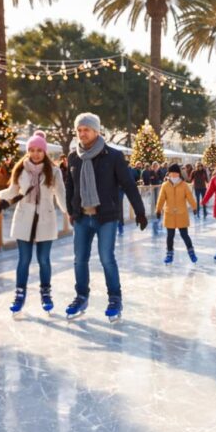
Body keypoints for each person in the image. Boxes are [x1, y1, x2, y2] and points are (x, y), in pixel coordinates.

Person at [64, 113, 148, 321]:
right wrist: (71, 211)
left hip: (106, 217)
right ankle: (81, 295)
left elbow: (128, 184)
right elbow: (70, 187)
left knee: (106, 258)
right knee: (79, 260)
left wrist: (139, 211)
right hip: (82, 217)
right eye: (79, 130)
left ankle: (115, 298)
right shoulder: (73, 157)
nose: (82, 133)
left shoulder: (113, 156)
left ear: (97, 131)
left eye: (86, 129)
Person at [0, 132, 66, 314]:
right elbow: (13, 191)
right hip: (24, 218)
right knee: (24, 260)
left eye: (39, 150)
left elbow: (61, 194)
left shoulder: (54, 171)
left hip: (45, 219)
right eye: (32, 150)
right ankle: (19, 294)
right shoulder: (20, 169)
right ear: (28, 151)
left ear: (45, 151)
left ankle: (46, 293)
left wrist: (69, 213)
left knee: (43, 260)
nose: (35, 154)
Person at [156, 163, 198, 265]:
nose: (174, 175)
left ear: (179, 174)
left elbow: (189, 196)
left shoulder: (184, 185)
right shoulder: (165, 185)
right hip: (169, 214)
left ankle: (191, 252)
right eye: (172, 173)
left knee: (184, 235)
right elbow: (161, 198)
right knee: (170, 236)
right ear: (169, 174)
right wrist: (158, 210)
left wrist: (194, 207)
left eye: (175, 173)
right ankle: (169, 254)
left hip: (181, 214)